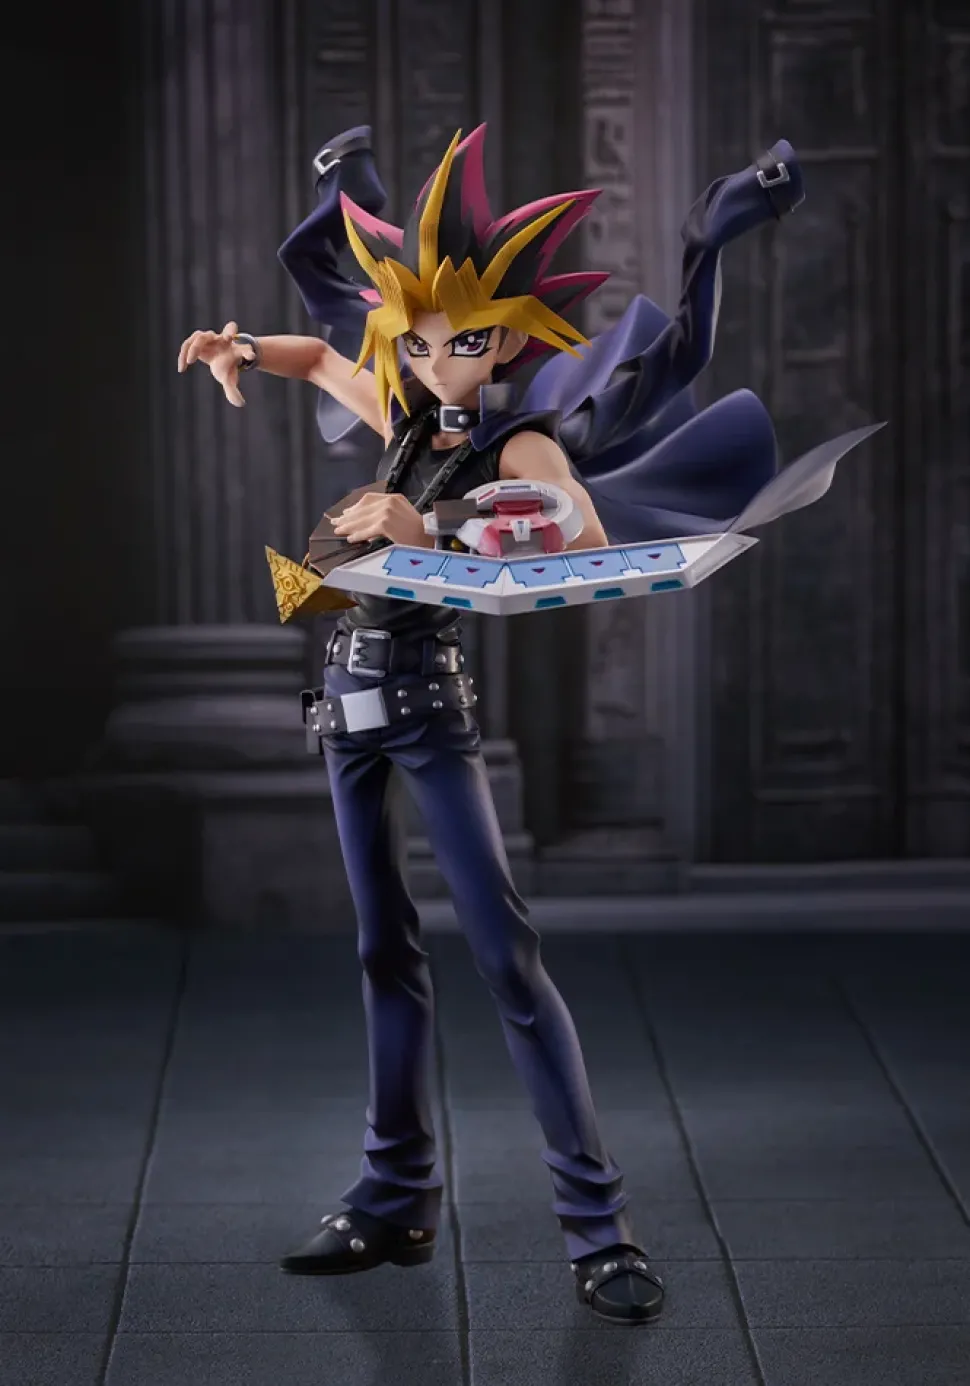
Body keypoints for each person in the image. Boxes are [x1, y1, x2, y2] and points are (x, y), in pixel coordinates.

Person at [177, 123, 876, 1324]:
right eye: (414, 336)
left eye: (455, 339)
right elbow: (325, 361)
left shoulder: (519, 438)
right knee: (381, 951)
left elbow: (579, 538)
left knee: (505, 960)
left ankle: (598, 1230)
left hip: (424, 707)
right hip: (345, 706)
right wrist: (243, 347)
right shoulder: (403, 409)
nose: (425, 355)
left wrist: (434, 530)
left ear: (501, 340)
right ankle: (394, 1198)